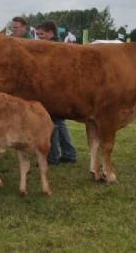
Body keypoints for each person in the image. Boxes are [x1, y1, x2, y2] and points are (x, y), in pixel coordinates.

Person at [35, 21, 77, 165]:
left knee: (51, 121)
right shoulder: (60, 47)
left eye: (41, 34)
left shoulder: (53, 48)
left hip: (54, 90)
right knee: (59, 121)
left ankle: (52, 157)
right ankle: (69, 153)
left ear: (50, 33)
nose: (38, 37)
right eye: (37, 34)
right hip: (60, 89)